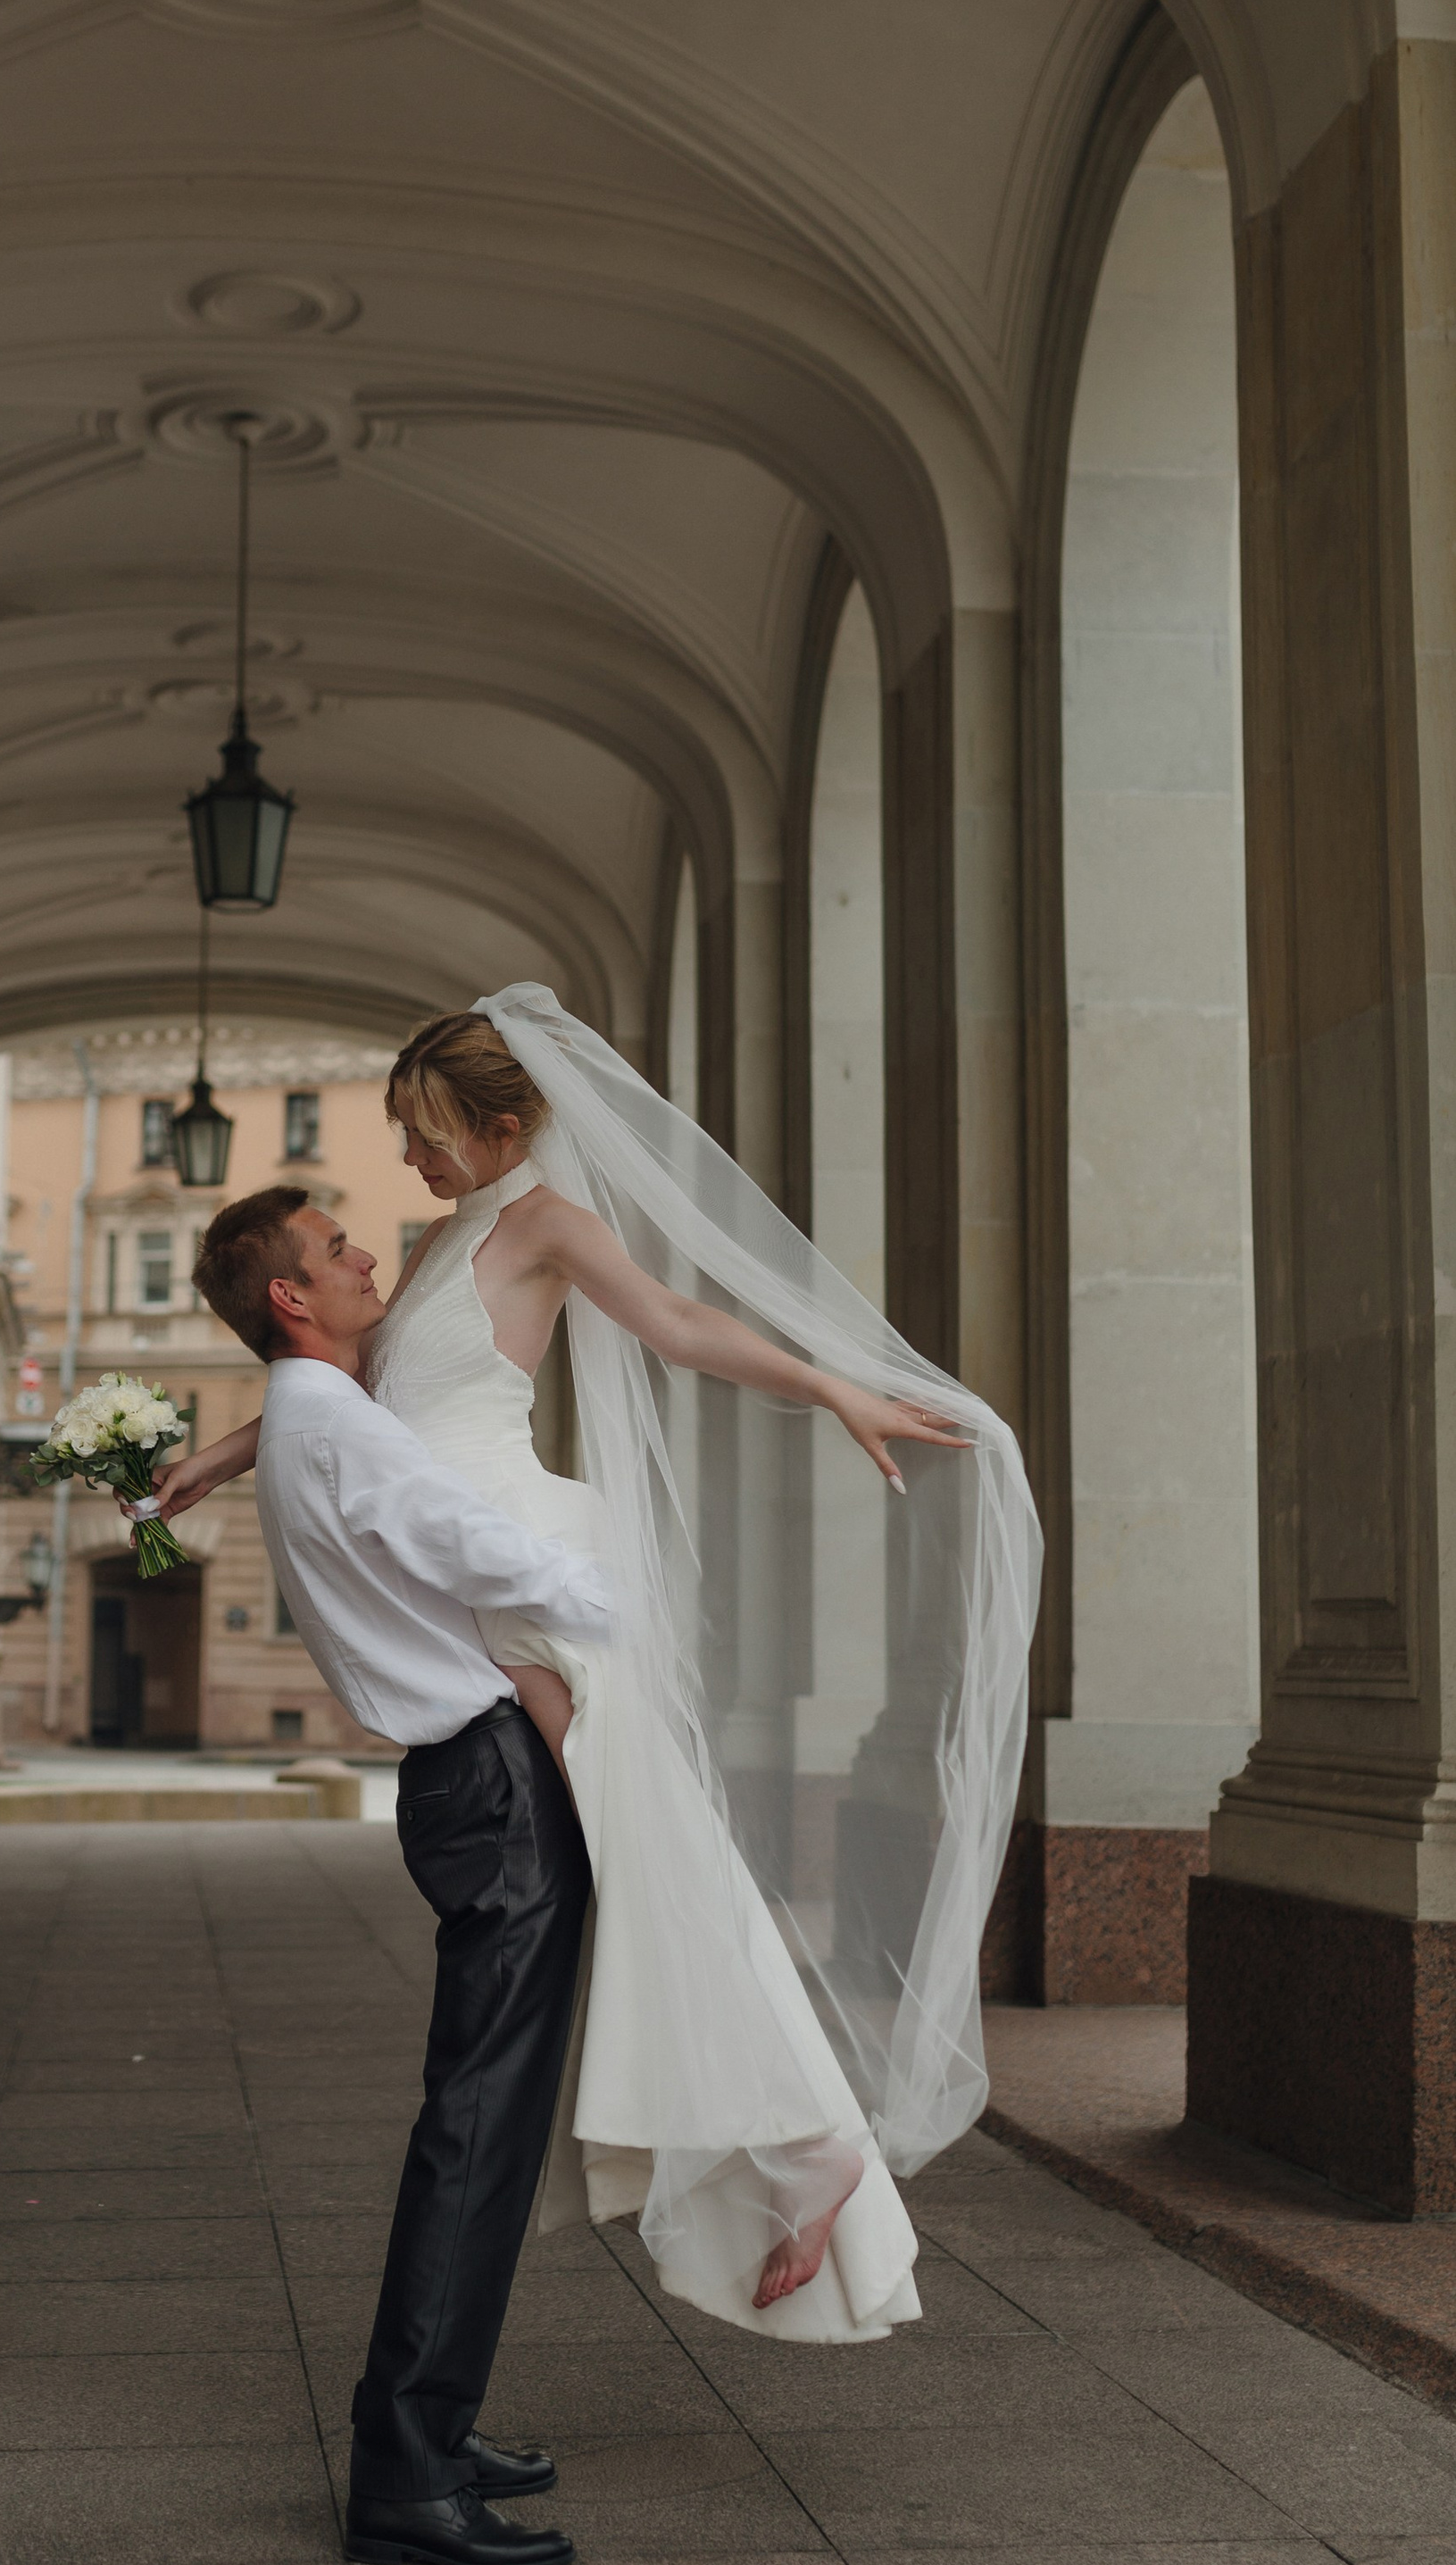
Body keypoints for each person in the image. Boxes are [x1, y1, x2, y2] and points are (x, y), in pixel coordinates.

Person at [160, 987, 1043, 2344]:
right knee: (634, 1858)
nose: (410, 1158)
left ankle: (806, 2145)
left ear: (504, 1125)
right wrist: (219, 1460)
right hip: (474, 1572)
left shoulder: (546, 1230)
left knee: (649, 1852)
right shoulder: (431, 1241)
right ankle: (779, 2141)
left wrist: (834, 1389)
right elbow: (348, 1396)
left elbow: (681, 1326)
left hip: (518, 1559)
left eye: (426, 1130)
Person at [186, 1182, 616, 2565]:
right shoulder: (330, 1425)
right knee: (477, 2136)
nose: (367, 1250)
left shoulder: (316, 1415)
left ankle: (426, 2424)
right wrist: (639, 1596)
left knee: (478, 2126)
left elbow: (398, 1492)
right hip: (485, 1789)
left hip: (470, 1781)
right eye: (334, 1249)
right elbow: (467, 1541)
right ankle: (408, 2474)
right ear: (291, 1301)